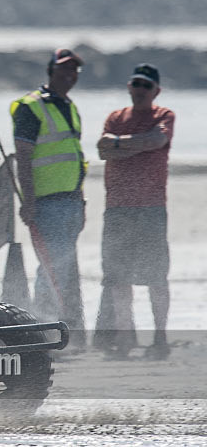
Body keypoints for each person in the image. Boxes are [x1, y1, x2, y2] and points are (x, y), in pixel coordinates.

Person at [93, 63, 174, 359]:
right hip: (116, 209)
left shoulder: (163, 115)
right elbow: (102, 149)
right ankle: (126, 339)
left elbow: (158, 140)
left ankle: (161, 338)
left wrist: (120, 144)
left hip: (151, 208)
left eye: (146, 86)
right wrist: (133, 144)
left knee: (156, 277)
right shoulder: (115, 117)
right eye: (136, 84)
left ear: (156, 90)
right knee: (117, 278)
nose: (140, 90)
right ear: (129, 86)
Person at [10, 48, 87, 346]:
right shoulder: (32, 106)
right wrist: (28, 201)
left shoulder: (69, 106)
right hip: (45, 203)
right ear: (51, 70)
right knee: (52, 269)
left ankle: (60, 329)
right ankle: (42, 331)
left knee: (63, 269)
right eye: (65, 69)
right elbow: (23, 157)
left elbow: (75, 157)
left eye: (75, 70)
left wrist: (80, 198)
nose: (71, 75)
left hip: (70, 202)